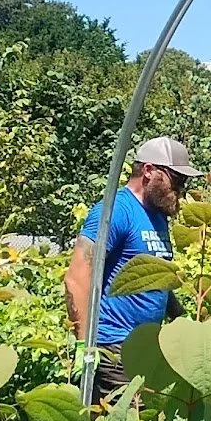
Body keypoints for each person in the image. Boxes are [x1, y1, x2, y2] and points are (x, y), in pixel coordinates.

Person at [65, 136, 202, 398]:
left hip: (147, 349)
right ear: (149, 171)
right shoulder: (116, 210)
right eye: (177, 180)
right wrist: (85, 346)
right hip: (114, 348)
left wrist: (183, 318)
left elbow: (152, 278)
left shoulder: (157, 216)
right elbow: (77, 275)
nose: (181, 190)